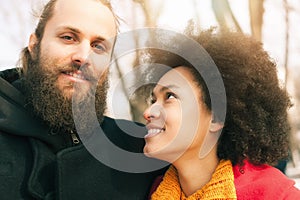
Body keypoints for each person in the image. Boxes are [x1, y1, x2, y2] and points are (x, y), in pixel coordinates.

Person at [0, 0, 163, 199]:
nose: (84, 56)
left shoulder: (141, 151)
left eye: (98, 47)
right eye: (68, 38)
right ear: (34, 45)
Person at [142, 29, 300, 199]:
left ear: (216, 118)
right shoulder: (154, 191)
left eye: (170, 96)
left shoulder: (276, 195)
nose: (148, 112)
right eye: (153, 100)